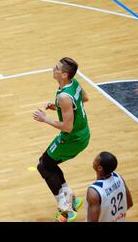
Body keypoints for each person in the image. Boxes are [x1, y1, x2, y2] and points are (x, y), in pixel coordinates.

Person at [32, 57, 90, 222]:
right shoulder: (73, 83)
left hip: (73, 138)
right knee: (48, 162)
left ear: (64, 74)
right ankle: (71, 198)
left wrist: (45, 119)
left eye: (57, 68)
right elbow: (84, 99)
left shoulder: (64, 96)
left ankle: (66, 211)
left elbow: (67, 127)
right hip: (82, 133)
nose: (53, 69)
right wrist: (58, 107)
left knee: (43, 166)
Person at [86, 151, 133, 222]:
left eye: (95, 160)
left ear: (99, 168)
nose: (93, 161)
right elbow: (129, 204)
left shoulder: (94, 191)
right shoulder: (118, 177)